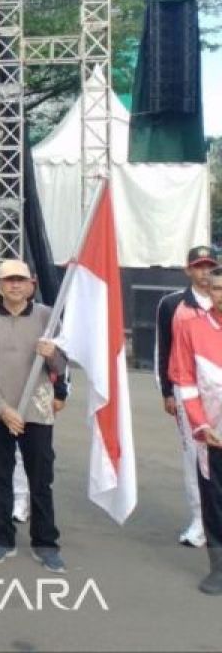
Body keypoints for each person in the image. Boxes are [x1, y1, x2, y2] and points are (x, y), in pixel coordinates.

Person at [0, 259, 69, 573]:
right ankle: (2, 538)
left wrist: (52, 354)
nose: (14, 285)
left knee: (41, 479)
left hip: (37, 411)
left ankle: (45, 543)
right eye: (7, 280)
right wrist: (2, 408)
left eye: (20, 280)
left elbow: (63, 367)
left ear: (32, 284)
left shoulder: (47, 317)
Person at [156, 245, 217, 548]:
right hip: (187, 391)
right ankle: (199, 520)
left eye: (210, 266)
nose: (204, 272)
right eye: (199, 266)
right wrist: (168, 392)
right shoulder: (173, 304)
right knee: (195, 456)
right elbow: (164, 349)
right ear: (188, 270)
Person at [167, 265, 222, 595]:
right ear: (209, 292)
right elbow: (184, 379)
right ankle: (218, 568)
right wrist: (201, 424)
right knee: (215, 501)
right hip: (212, 434)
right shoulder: (191, 327)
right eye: (217, 289)